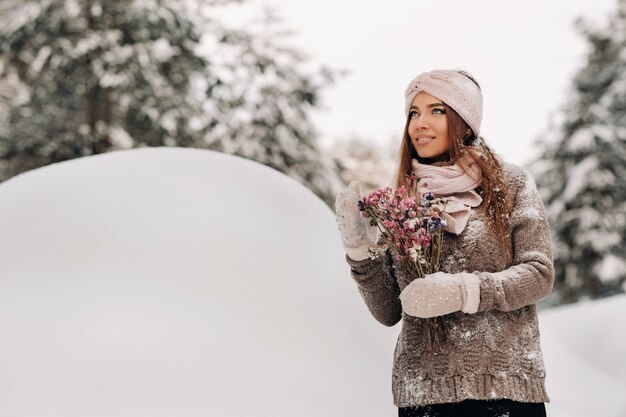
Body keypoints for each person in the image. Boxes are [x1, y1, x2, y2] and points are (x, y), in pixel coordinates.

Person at [334, 69, 554, 417]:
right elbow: (389, 311)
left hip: (504, 389)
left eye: (437, 110)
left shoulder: (510, 185)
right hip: (424, 395)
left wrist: (466, 291)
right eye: (413, 112)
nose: (420, 123)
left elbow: (539, 274)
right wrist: (359, 251)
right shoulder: (402, 203)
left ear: (465, 121)